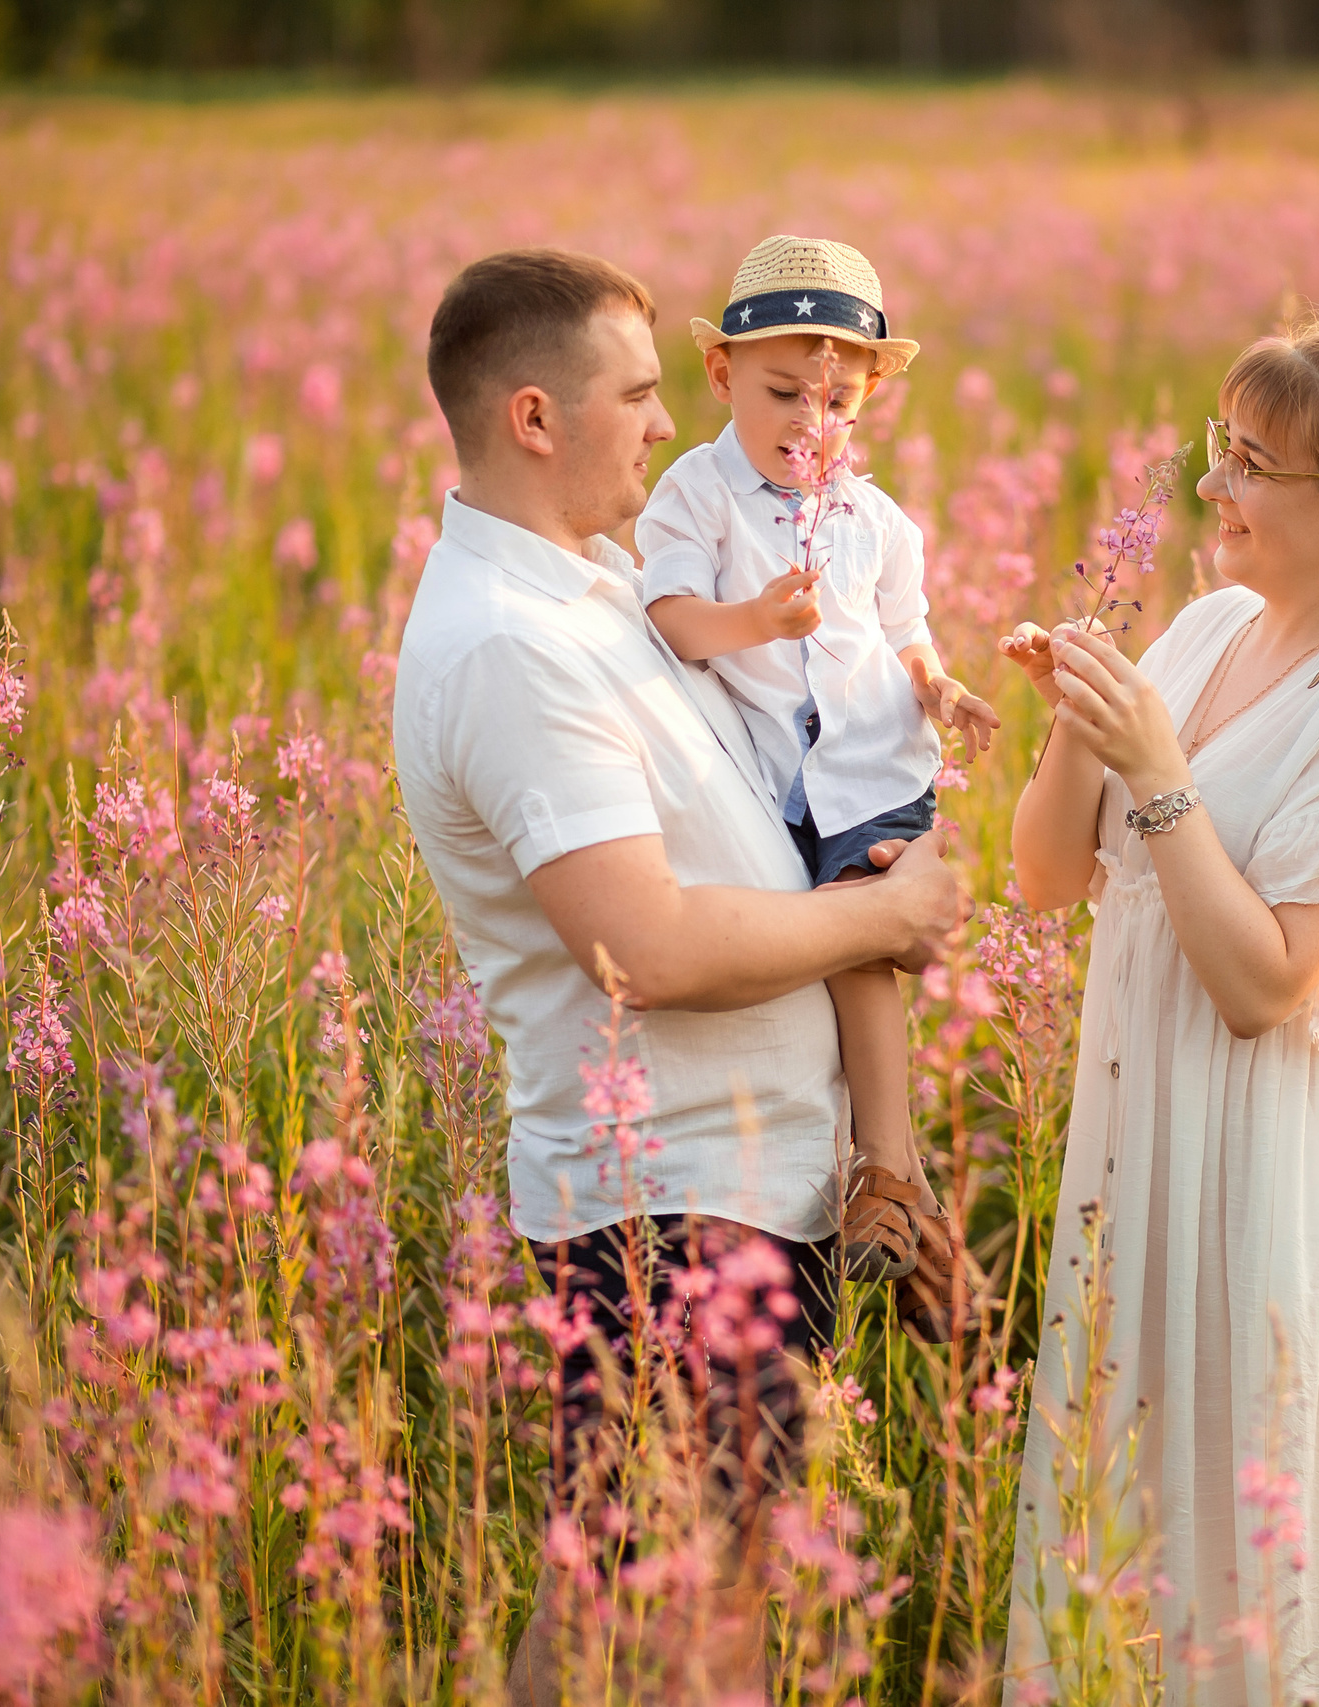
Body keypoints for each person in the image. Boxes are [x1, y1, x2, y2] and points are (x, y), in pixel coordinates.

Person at [388, 247, 969, 1705]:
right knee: (676, 1622)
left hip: (735, 1185)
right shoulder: (513, 645)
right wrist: (888, 921)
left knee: (642, 1600)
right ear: (534, 417)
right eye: (640, 394)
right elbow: (638, 947)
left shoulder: (593, 586)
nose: (666, 424)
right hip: (665, 1209)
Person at [995, 314, 1319, 1706]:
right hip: (1143, 1144)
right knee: (1133, 1487)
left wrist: (1157, 768)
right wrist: (1082, 718)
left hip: (1270, 1162)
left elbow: (1260, 985)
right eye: (1219, 449)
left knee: (1260, 1492)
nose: (1210, 487)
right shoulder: (1208, 627)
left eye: (1251, 467)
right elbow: (1042, 879)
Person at [639, 233, 998, 1339]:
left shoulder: (876, 521)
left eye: (838, 402)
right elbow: (673, 617)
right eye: (784, 392)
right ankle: (904, 1200)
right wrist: (756, 620)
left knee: (858, 930)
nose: (811, 421)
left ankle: (885, 1169)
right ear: (721, 374)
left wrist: (943, 690)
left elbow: (905, 636)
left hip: (868, 761)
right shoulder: (695, 493)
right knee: (830, 952)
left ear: (871, 396)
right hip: (766, 781)